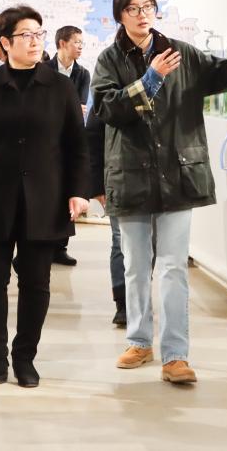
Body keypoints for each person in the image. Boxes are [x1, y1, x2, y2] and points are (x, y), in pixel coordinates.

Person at [91, 0, 227, 384]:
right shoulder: (108, 60)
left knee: (174, 267)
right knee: (136, 266)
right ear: (120, 16)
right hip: (131, 175)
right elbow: (107, 109)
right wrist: (150, 79)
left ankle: (175, 355)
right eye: (133, 9)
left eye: (148, 6)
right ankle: (139, 341)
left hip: (178, 175)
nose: (142, 14)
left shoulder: (181, 52)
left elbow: (224, 74)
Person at [0, 5, 90, 391]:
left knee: (36, 283)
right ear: (4, 42)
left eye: (38, 34)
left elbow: (76, 146)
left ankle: (25, 358)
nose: (35, 41)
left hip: (44, 200)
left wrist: (78, 191)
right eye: (26, 35)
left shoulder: (60, 87)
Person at [45, 25, 91, 267]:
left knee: (67, 191)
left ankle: (60, 247)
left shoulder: (83, 73)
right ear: (62, 43)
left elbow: (80, 107)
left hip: (69, 140)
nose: (80, 47)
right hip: (44, 141)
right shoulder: (43, 69)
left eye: (82, 43)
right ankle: (41, 245)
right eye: (77, 42)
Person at [84, 108, 126, 326]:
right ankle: (123, 302)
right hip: (118, 180)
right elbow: (93, 136)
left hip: (158, 183)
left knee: (150, 245)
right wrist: (97, 185)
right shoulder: (109, 90)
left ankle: (137, 296)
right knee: (120, 240)